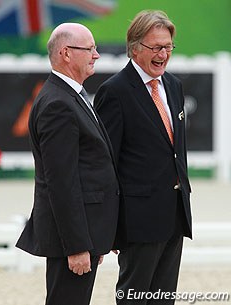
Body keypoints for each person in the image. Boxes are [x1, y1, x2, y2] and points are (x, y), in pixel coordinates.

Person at [16, 23, 121, 305]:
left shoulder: (70, 94)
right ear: (66, 53)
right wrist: (76, 246)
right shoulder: (57, 104)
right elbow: (61, 183)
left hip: (84, 234)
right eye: (90, 49)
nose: (96, 55)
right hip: (71, 241)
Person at [94, 10, 192, 305]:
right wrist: (110, 228)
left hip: (174, 215)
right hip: (138, 222)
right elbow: (106, 162)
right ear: (135, 47)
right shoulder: (114, 92)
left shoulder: (173, 86)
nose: (163, 54)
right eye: (156, 47)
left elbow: (175, 150)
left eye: (168, 47)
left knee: (164, 299)